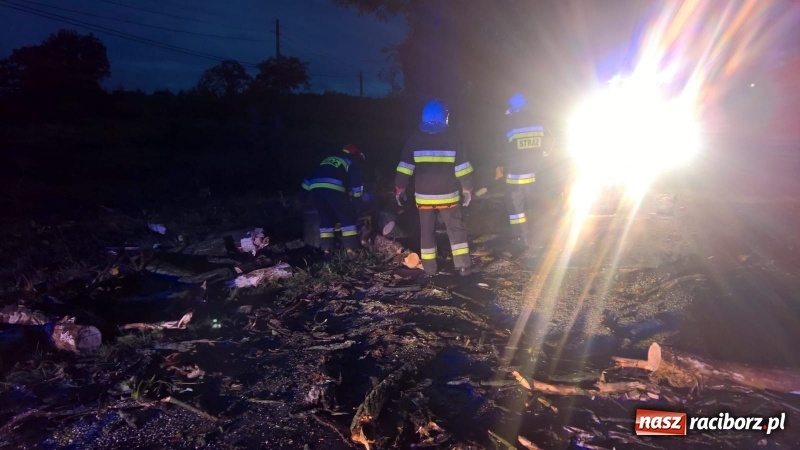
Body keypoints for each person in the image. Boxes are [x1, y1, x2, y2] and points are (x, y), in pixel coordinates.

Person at [395, 99, 476, 276]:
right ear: (445, 117)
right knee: (456, 229)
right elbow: (462, 167)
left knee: (426, 232)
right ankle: (463, 266)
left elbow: (404, 167)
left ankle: (430, 269)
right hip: (449, 196)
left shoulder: (414, 139)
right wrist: (467, 188)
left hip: (424, 196)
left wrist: (399, 188)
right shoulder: (454, 137)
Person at [500, 93, 551, 250]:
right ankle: (541, 239)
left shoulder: (510, 124)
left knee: (517, 210)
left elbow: (503, 147)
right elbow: (549, 141)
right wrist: (542, 154)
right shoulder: (539, 122)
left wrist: (501, 165)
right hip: (535, 174)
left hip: (515, 176)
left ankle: (521, 238)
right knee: (536, 206)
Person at [301, 144, 365, 258]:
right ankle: (351, 250)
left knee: (326, 220)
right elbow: (356, 187)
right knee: (347, 218)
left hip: (315, 190)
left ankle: (327, 251)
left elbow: (310, 177)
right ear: (354, 155)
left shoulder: (327, 160)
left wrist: (303, 197)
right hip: (334, 189)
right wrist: (357, 205)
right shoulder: (350, 162)